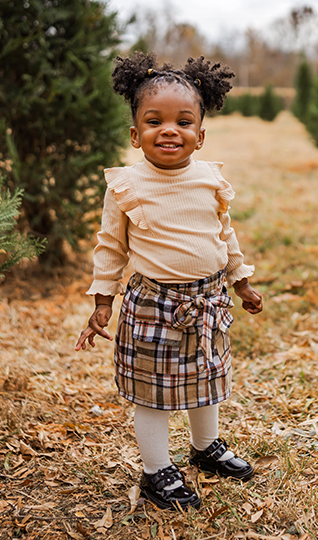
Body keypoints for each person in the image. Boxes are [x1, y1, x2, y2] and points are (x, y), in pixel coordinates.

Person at [75, 52, 264, 511]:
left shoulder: (209, 179)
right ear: (136, 134)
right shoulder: (127, 185)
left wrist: (240, 280)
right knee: (153, 394)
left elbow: (224, 233)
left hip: (209, 300)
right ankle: (156, 470)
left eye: (183, 121)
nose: (169, 130)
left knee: (206, 379)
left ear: (200, 136)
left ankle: (205, 446)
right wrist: (103, 299)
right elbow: (110, 246)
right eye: (154, 120)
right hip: (153, 305)